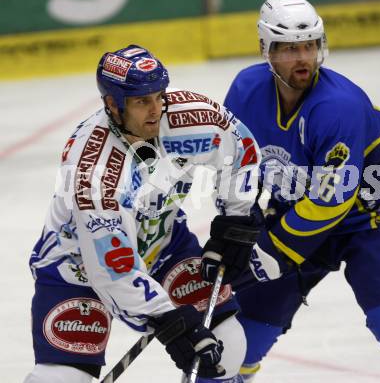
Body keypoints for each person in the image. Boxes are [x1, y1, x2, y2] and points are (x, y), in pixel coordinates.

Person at [203, 0, 380, 382]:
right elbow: (236, 165)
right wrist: (239, 223)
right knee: (243, 335)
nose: (303, 59)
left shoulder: (337, 107)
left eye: (310, 46)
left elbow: (332, 202)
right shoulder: (246, 89)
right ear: (266, 50)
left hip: (368, 218)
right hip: (296, 211)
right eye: (290, 49)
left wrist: (272, 249)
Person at [25, 44, 261, 383]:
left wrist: (236, 219)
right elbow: (113, 268)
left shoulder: (189, 116)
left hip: (163, 242)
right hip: (78, 266)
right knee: (60, 379)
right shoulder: (95, 169)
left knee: (229, 344)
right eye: (140, 102)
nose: (155, 110)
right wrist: (166, 317)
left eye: (158, 96)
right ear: (112, 105)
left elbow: (241, 149)